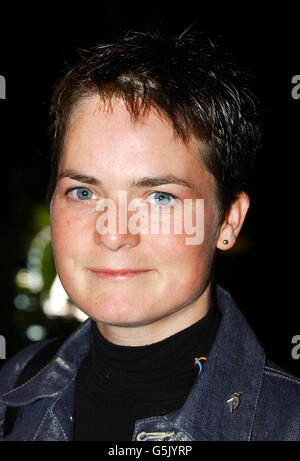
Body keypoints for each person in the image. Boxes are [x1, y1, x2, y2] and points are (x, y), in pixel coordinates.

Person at [0, 29, 300, 442]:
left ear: (228, 220)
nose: (113, 233)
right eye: (84, 192)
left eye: (159, 196)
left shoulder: (286, 422)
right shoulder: (12, 388)